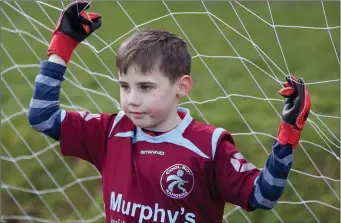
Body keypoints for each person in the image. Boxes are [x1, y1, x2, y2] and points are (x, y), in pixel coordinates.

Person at [28, 2, 311, 223]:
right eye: (125, 86)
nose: (132, 100)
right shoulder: (111, 131)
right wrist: (62, 47)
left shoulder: (209, 146)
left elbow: (262, 196)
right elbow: (42, 117)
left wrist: (287, 136)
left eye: (146, 87)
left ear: (182, 86)